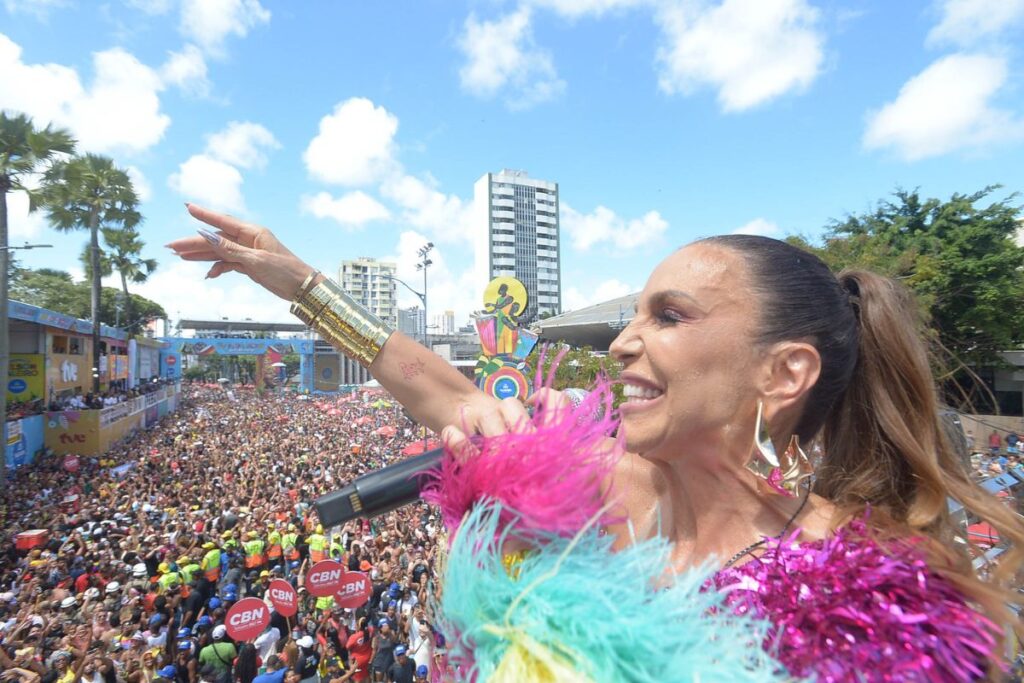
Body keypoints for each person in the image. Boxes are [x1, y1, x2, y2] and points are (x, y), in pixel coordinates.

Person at [170, 207, 1024, 678]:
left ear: (785, 371)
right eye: (632, 317)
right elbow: (449, 394)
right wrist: (301, 283)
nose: (620, 344)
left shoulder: (872, 604)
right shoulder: (583, 492)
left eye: (670, 315)